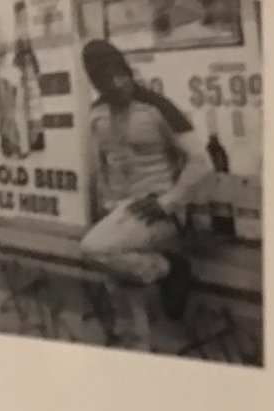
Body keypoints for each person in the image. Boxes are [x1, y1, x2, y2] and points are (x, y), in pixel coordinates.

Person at [76, 37, 211, 320]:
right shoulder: (97, 113)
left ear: (128, 72)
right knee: (121, 287)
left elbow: (201, 162)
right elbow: (101, 165)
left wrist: (167, 202)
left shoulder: (156, 106)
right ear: (96, 84)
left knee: (93, 250)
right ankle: (137, 340)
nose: (117, 85)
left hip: (159, 211)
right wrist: (102, 208)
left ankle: (168, 268)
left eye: (121, 76)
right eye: (106, 81)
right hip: (122, 213)